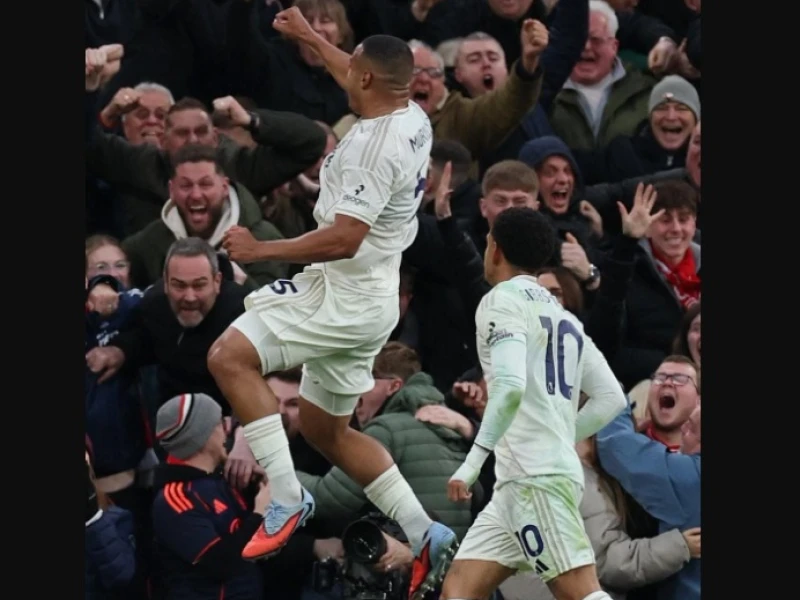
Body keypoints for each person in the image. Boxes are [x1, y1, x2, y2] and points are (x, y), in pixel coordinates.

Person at [206, 6, 457, 599]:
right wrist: (310, 36)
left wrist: (263, 247)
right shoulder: (411, 112)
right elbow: (359, 69)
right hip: (372, 298)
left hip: (341, 290)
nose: (349, 74)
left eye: (355, 70)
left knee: (227, 357)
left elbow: (347, 237)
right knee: (326, 428)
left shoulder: (373, 147)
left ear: (367, 83)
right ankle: (426, 533)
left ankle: (288, 497)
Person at [443, 207, 627, 600]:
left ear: (496, 249)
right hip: (518, 482)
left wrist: (472, 463)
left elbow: (508, 386)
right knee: (458, 591)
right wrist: (561, 437)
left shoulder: (500, 301)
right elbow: (611, 397)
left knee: (580, 592)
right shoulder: (563, 316)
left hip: (534, 479)